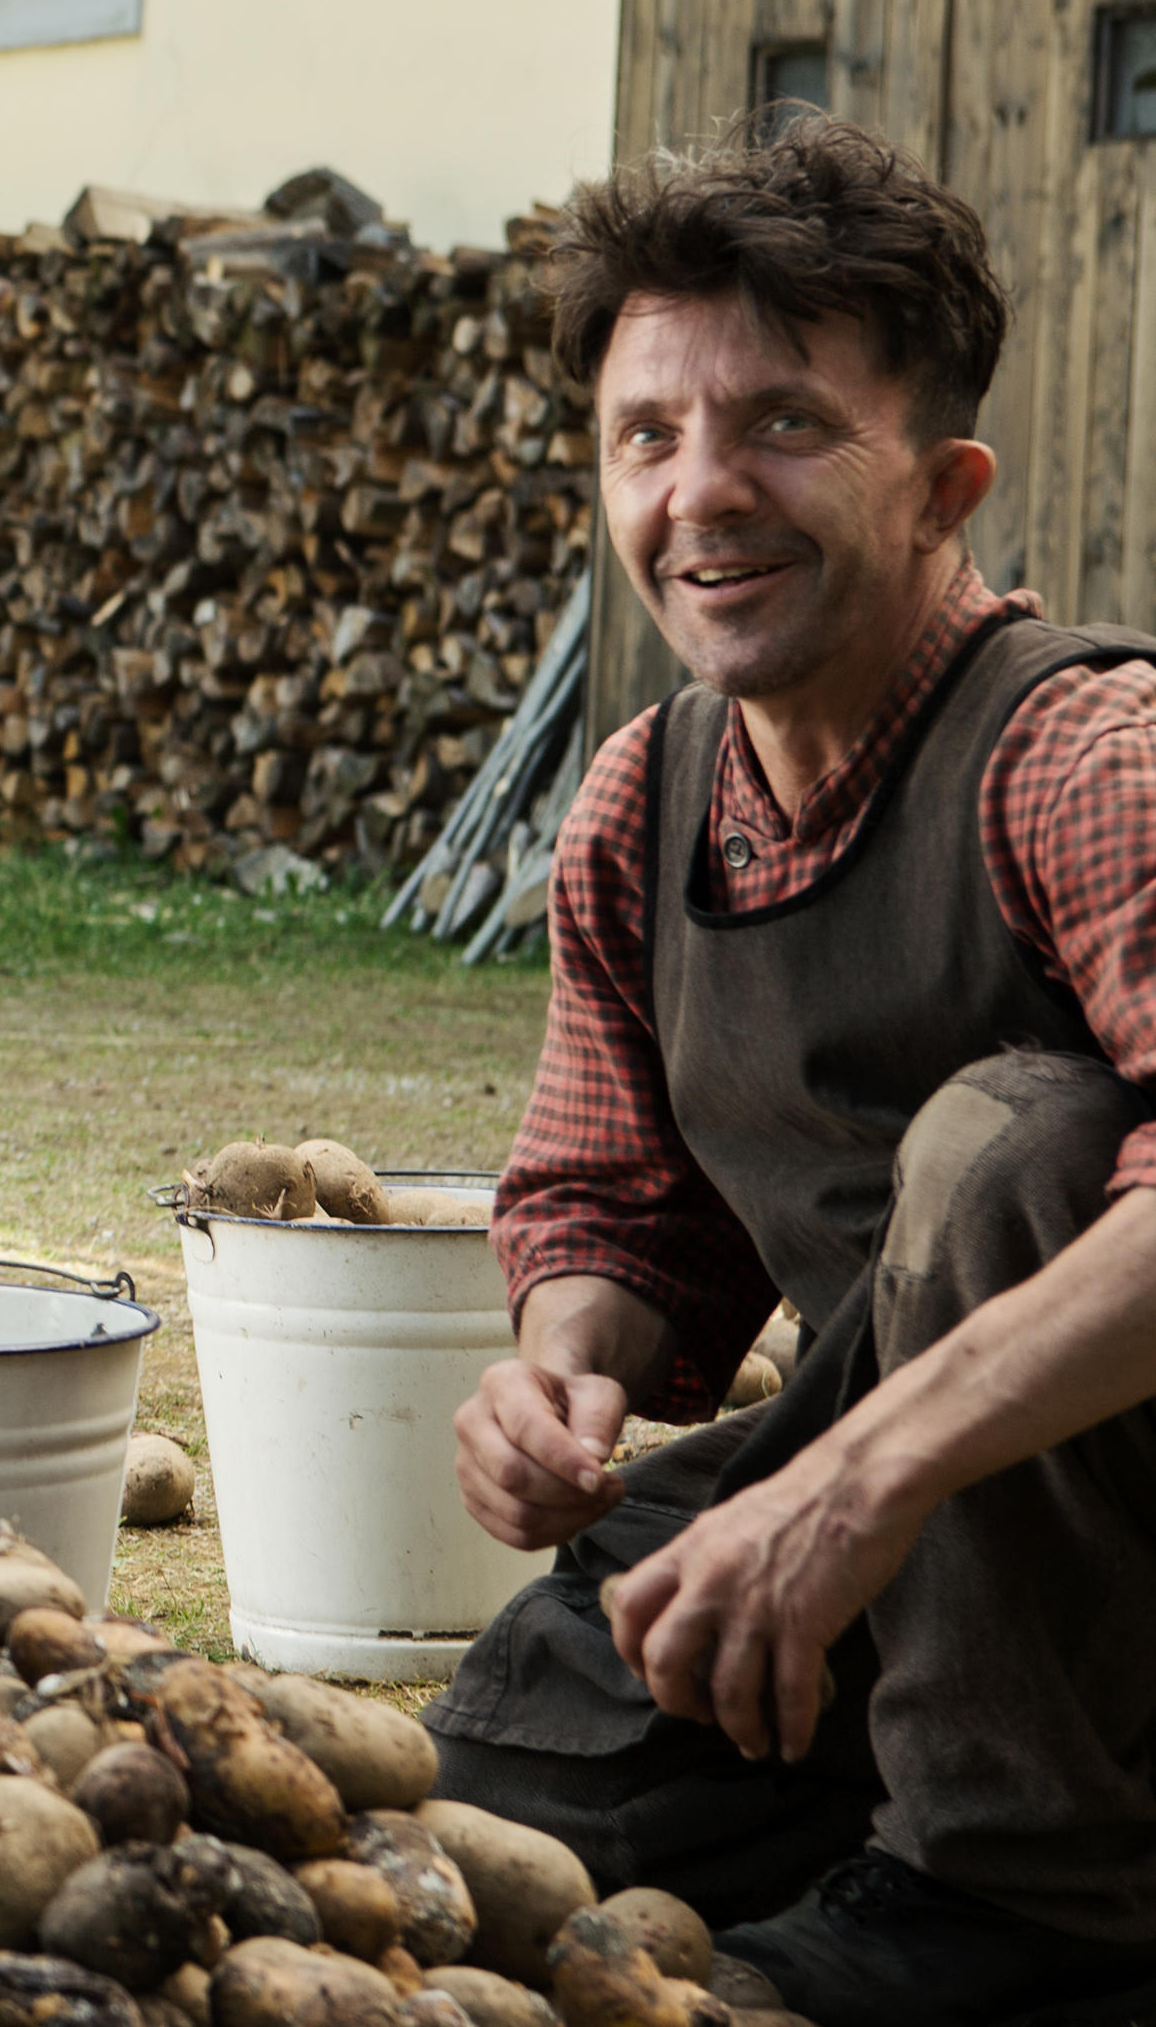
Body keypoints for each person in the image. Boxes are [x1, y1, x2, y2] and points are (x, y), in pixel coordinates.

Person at [430, 114, 1156, 2027]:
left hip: (1107, 1545)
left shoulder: (1085, 754)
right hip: (921, 1541)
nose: (703, 493)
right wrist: (561, 1373)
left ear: (945, 486)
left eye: (784, 427)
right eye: (647, 437)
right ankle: (913, 1794)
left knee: (1018, 1144)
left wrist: (858, 1495)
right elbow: (612, 1201)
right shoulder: (643, 802)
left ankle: (1027, 1906)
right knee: (477, 1812)